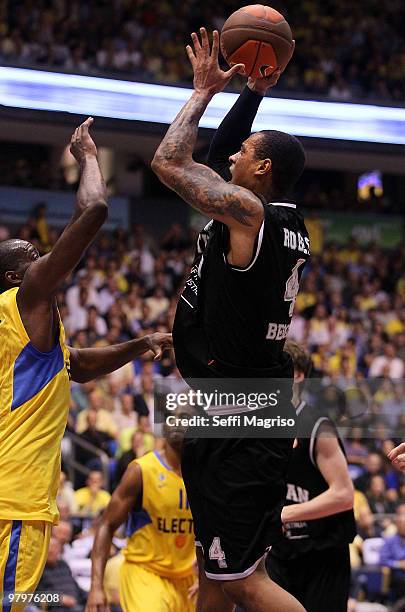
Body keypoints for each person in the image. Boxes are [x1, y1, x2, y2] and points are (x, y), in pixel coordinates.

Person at [152, 27, 308, 612]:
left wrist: (202, 91)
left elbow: (172, 162)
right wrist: (250, 92)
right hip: (239, 401)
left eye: (246, 152)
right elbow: (217, 158)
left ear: (262, 170)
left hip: (238, 411)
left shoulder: (248, 214)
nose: (234, 154)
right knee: (214, 571)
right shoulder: (273, 216)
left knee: (242, 580)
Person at [0, 117, 172, 603]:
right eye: (34, 257)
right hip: (15, 500)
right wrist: (91, 158)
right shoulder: (24, 298)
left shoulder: (25, 338)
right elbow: (94, 210)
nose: (45, 261)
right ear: (16, 276)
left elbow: (77, 365)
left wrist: (139, 345)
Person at [267, 340, 356, 612]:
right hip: (280, 553)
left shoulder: (318, 426)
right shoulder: (264, 425)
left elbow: (343, 495)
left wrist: (285, 514)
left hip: (322, 555)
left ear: (298, 375)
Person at [86, 409, 197, 612]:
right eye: (175, 418)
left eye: (187, 418)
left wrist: (209, 577)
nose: (180, 424)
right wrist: (96, 587)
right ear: (163, 427)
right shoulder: (141, 470)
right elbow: (107, 525)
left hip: (188, 578)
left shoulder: (205, 475)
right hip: (145, 573)